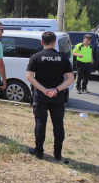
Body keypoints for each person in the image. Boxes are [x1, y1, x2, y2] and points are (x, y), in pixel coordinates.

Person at [26, 31, 75, 160]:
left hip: (41, 96)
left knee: (40, 123)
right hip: (57, 97)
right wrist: (56, 90)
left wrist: (43, 90)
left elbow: (29, 77)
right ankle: (57, 154)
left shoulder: (35, 57)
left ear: (42, 42)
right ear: (54, 42)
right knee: (58, 124)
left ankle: (39, 152)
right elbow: (70, 79)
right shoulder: (63, 58)